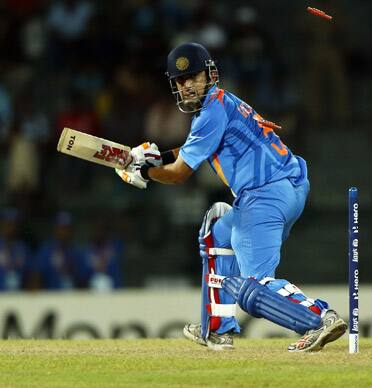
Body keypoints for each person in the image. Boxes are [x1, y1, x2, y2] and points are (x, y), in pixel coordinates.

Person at [115, 42, 347, 352]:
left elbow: (180, 173)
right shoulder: (223, 103)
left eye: (193, 77)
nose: (187, 86)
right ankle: (217, 330)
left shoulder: (209, 112)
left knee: (253, 289)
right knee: (217, 233)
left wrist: (143, 172)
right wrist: (155, 155)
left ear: (209, 74)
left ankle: (320, 318)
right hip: (289, 185)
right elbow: (191, 148)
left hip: (264, 196)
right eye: (180, 81)